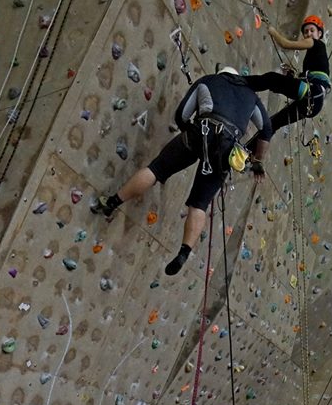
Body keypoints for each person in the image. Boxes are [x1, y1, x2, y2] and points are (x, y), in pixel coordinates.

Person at [93, 67, 272, 275]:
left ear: (222, 73)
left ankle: (112, 202)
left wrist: (189, 135)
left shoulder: (209, 80)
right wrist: (258, 161)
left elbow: (182, 114)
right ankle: (184, 252)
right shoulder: (252, 97)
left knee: (156, 169)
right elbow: (266, 129)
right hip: (226, 148)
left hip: (200, 132)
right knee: (199, 204)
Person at [244, 14, 331, 139]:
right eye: (306, 32)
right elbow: (309, 78)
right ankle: (252, 156)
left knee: (271, 79)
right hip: (314, 103)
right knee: (274, 123)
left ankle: (240, 82)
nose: (309, 34)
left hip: (312, 93)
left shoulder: (315, 43)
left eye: (312, 30)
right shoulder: (317, 55)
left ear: (319, 34)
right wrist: (292, 76)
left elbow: (285, 44)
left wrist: (273, 32)